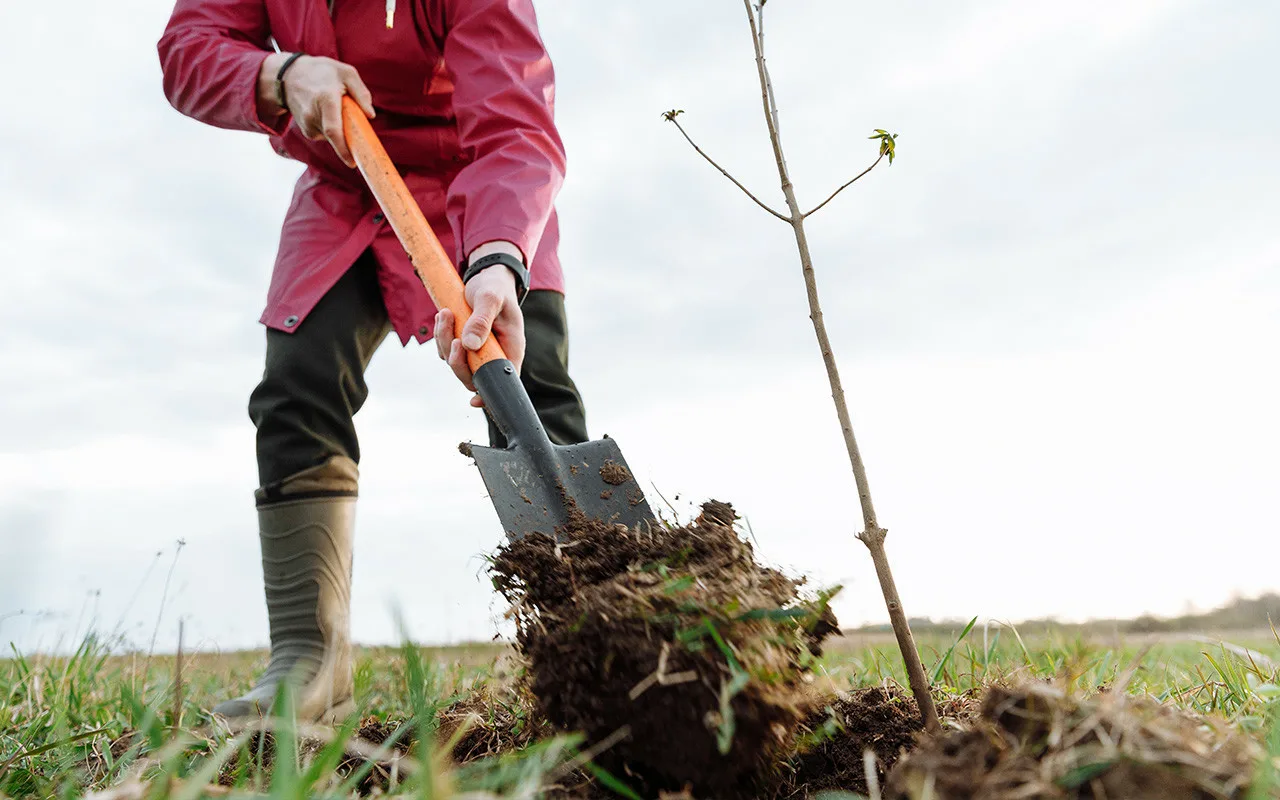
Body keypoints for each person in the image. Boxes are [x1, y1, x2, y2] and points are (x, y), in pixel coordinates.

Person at [156, 0, 587, 722]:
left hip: (477, 187)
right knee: (298, 383)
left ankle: (587, 642)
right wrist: (278, 72)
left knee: (531, 387)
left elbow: (515, 127)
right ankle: (308, 663)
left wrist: (498, 258)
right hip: (345, 185)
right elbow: (188, 50)